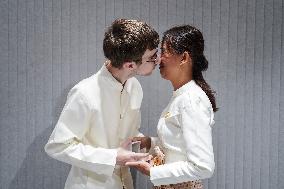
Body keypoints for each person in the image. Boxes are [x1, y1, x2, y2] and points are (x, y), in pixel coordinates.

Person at [44, 18, 159, 189]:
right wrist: (112, 157)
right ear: (130, 65)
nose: (158, 60)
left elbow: (126, 133)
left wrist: (146, 145)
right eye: (152, 57)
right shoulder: (84, 93)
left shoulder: (135, 86)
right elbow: (57, 146)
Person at [127, 25, 218, 189]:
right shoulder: (182, 96)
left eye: (164, 52)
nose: (158, 59)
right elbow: (177, 146)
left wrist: (153, 172)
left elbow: (203, 166)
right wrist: (150, 143)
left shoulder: (191, 100)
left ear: (184, 57)